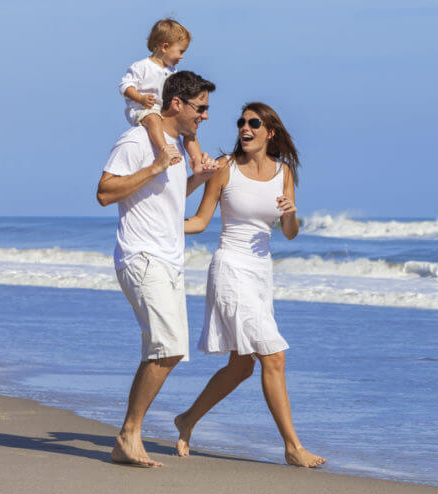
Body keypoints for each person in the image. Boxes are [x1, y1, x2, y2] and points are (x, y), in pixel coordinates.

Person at [174, 102, 326, 468]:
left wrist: (290, 213)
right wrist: (155, 226)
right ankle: (292, 446)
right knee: (274, 356)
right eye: (242, 122)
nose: (245, 128)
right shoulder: (226, 168)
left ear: (269, 132)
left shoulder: (283, 172)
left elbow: (289, 233)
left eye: (254, 123)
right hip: (230, 267)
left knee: (242, 366)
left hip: (261, 273)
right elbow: (199, 220)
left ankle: (187, 419)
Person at [96, 71, 218, 467]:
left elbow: (166, 197)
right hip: (141, 256)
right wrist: (153, 166)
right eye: (200, 108)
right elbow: (104, 192)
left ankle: (128, 436)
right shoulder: (136, 140)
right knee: (167, 348)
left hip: (168, 260)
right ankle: (128, 435)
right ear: (177, 104)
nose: (204, 116)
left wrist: (198, 179)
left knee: (166, 349)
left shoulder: (173, 148)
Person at [119, 18, 205, 170]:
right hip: (144, 110)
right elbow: (125, 87)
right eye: (181, 51)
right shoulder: (142, 66)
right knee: (153, 119)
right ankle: (164, 150)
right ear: (165, 47)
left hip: (164, 110)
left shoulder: (172, 72)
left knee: (189, 129)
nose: (182, 56)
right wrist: (141, 98)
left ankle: (198, 162)